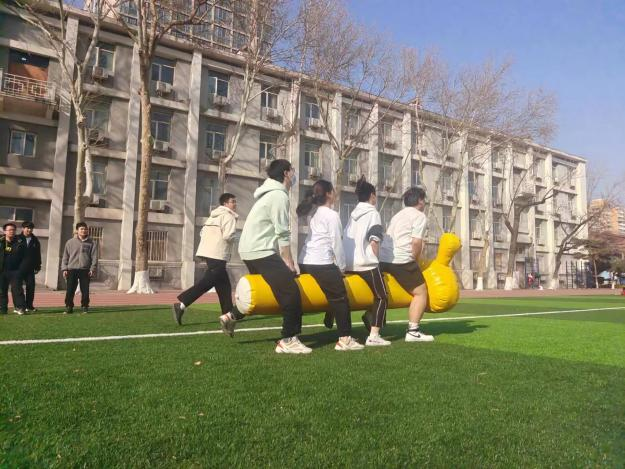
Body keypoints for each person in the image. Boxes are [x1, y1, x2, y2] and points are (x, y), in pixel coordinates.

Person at [221, 159, 311, 354]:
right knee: (290, 292)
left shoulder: (268, 194)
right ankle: (288, 339)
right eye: (293, 170)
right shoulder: (279, 195)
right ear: (286, 173)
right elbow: (282, 233)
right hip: (260, 250)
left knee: (264, 290)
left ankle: (231, 316)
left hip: (249, 250)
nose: (295, 174)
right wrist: (288, 262)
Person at [296, 180, 364, 351]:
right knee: (341, 298)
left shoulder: (314, 213)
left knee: (317, 295)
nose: (335, 194)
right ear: (328, 194)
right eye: (333, 191)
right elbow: (337, 244)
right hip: (321, 262)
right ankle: (345, 339)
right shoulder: (332, 215)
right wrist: (341, 267)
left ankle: (301, 331)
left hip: (305, 260)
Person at [173, 193, 239, 330]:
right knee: (207, 283)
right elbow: (228, 236)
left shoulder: (213, 216)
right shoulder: (229, 216)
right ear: (225, 204)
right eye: (232, 201)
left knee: (224, 286)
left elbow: (202, 233)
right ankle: (181, 304)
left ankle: (227, 315)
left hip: (208, 252)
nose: (235, 204)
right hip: (218, 254)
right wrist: (239, 238)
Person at [380, 187, 434, 342]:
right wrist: (414, 261)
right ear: (420, 201)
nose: (424, 203)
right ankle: (413, 331)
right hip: (401, 259)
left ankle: (371, 315)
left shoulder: (398, 215)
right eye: (424, 200)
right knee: (421, 292)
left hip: (383, 258)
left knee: (386, 289)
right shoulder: (419, 216)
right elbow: (416, 242)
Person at [343, 177, 390, 346]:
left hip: (348, 263)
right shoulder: (373, 213)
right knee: (382, 297)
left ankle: (367, 317)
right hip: (366, 263)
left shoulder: (352, 215)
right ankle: (374, 335)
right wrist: (376, 260)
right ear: (372, 196)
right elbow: (374, 240)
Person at [61, 222, 98, 314]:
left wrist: (92, 269)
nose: (84, 231)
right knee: (70, 289)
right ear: (77, 230)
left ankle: (85, 306)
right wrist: (64, 268)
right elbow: (65, 256)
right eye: (81, 229)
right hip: (71, 269)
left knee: (85, 290)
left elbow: (94, 257)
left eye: (85, 229)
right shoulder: (70, 242)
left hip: (85, 270)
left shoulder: (92, 243)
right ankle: (69, 307)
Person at [0, 223, 27, 315]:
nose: (12, 231)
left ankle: (20, 308)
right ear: (5, 231)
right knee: (2, 290)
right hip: (2, 270)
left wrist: (21, 269)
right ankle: (3, 309)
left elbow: (25, 257)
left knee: (17, 290)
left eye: (13, 230)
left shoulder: (20, 242)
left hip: (15, 271)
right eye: (10, 230)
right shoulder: (1, 242)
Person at [18, 221, 41, 312]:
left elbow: (38, 254)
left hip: (30, 268)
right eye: (27, 228)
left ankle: (29, 306)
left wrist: (38, 266)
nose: (29, 230)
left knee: (31, 287)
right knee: (18, 288)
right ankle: (20, 305)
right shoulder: (17, 239)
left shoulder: (35, 240)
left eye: (31, 228)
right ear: (23, 228)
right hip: (18, 268)